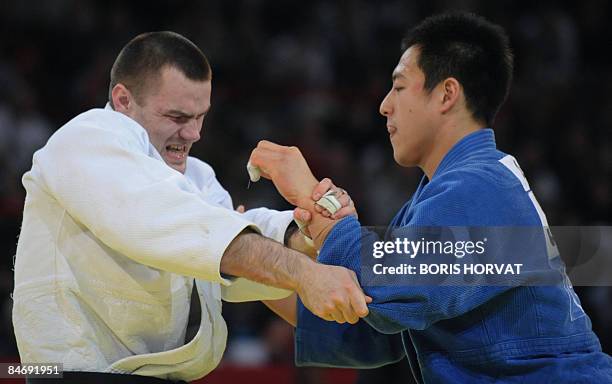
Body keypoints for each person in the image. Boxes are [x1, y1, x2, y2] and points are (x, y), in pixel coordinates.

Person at [248, 12, 612, 383]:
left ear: (447, 94)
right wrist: (246, 261)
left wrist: (316, 200)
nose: (384, 105)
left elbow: (383, 288)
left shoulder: (480, 186)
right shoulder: (447, 194)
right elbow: (372, 328)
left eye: (400, 86)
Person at [12, 31, 370, 383]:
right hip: (74, 374)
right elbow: (184, 228)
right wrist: (304, 274)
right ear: (123, 100)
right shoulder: (87, 138)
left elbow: (227, 255)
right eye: (177, 117)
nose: (194, 134)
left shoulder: (194, 177)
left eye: (200, 117)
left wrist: (308, 229)